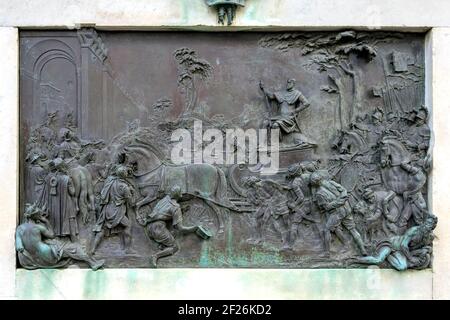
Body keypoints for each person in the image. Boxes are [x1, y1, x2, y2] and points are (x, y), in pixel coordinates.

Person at [138, 185, 211, 268]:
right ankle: (155, 256)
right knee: (174, 247)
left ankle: (162, 245)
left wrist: (191, 197)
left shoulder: (165, 198)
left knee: (173, 232)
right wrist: (195, 228)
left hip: (149, 226)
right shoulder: (176, 207)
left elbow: (167, 210)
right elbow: (180, 228)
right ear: (179, 195)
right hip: (157, 228)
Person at [16, 203, 104, 270]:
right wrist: (46, 221)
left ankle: (92, 261)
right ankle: (92, 263)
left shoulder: (20, 228)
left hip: (32, 259)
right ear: (36, 217)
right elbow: (51, 235)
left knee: (66, 248)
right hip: (47, 254)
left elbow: (19, 246)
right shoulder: (38, 227)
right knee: (73, 248)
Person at [349, 214, 437, 271]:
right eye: (427, 222)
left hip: (399, 252)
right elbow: (403, 245)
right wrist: (411, 258)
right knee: (378, 260)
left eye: (429, 224)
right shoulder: (414, 231)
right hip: (391, 244)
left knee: (402, 267)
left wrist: (427, 249)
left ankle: (387, 257)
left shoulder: (429, 237)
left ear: (432, 227)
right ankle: (354, 260)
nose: (426, 225)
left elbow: (422, 247)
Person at [310, 172, 367, 256]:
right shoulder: (331, 183)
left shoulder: (319, 194)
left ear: (314, 183)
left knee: (326, 230)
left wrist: (338, 202)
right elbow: (344, 191)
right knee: (352, 230)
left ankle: (327, 253)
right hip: (346, 208)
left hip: (337, 213)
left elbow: (327, 207)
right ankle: (362, 250)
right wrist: (342, 199)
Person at [90, 165, 135, 255]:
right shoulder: (124, 187)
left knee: (102, 229)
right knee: (128, 226)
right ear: (125, 175)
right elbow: (131, 203)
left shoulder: (110, 180)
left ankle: (92, 249)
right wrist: (132, 192)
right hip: (117, 211)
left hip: (107, 209)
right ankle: (128, 249)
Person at [260, 79, 311, 147]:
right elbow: (271, 96)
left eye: (289, 83)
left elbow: (306, 103)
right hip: (279, 117)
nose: (287, 84)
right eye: (287, 83)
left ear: (293, 84)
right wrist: (264, 88)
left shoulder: (297, 93)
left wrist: (296, 110)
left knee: (275, 125)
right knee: (265, 122)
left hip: (289, 118)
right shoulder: (282, 93)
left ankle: (279, 143)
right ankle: (261, 144)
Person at [38, 157, 79, 241]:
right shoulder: (67, 179)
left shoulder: (49, 178)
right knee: (70, 219)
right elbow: (72, 192)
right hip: (66, 204)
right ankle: (74, 240)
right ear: (63, 167)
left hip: (53, 205)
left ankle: (56, 237)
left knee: (54, 218)